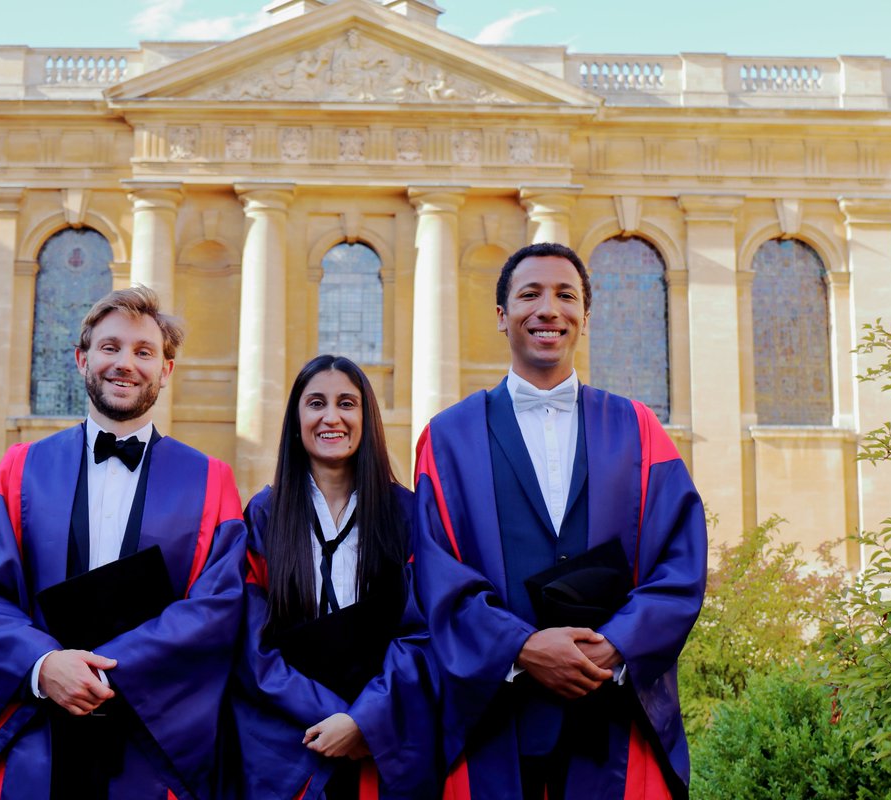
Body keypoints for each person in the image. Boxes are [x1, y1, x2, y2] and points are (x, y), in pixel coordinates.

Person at [413, 243, 707, 799]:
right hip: (492, 725)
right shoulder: (448, 438)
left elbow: (682, 560)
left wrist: (617, 644)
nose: (549, 308)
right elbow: (436, 573)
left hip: (614, 718)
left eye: (565, 295)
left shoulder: (638, 429)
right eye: (530, 294)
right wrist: (520, 648)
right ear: (502, 316)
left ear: (585, 317)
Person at [0, 286, 247, 800]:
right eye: (110, 348)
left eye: (143, 351)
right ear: (83, 358)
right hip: (38, 736)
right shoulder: (22, 469)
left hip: (150, 744)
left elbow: (217, 608)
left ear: (166, 371)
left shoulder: (209, 480)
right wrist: (44, 665)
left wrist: (112, 671)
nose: (125, 363)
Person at [230, 355, 440, 799]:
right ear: (297, 418)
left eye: (347, 403)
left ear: (366, 417)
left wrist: (365, 720)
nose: (332, 417)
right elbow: (253, 643)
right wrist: (332, 715)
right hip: (288, 741)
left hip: (384, 739)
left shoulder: (406, 515)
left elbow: (421, 631)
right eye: (316, 403)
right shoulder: (264, 517)